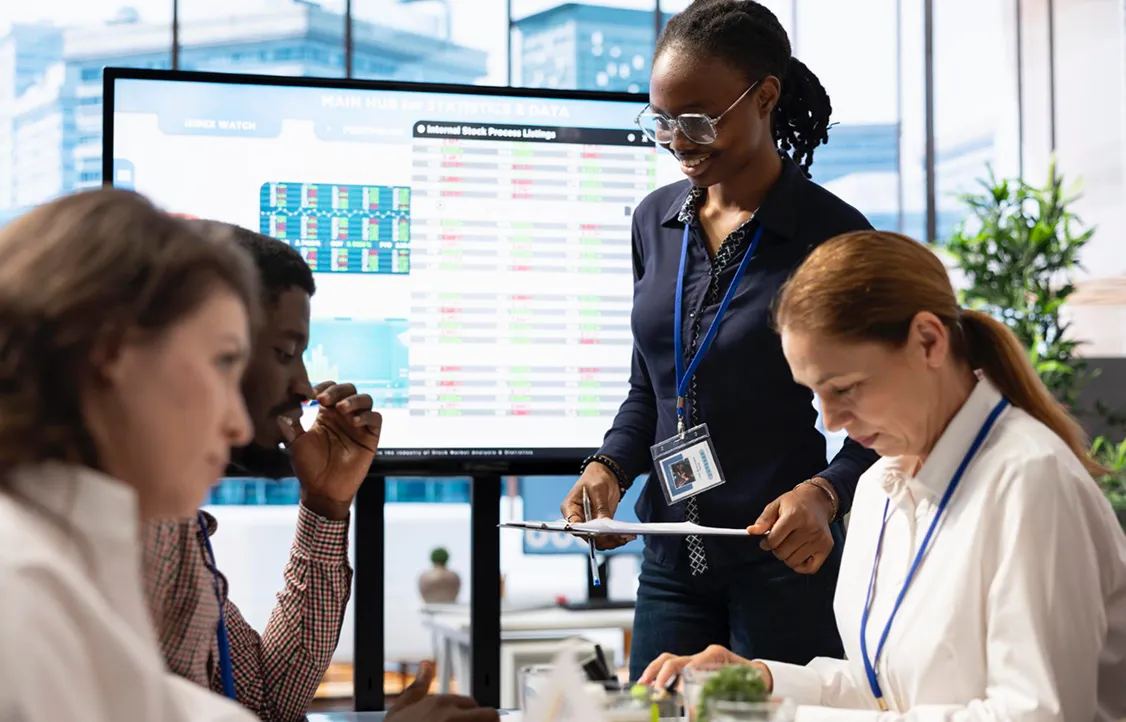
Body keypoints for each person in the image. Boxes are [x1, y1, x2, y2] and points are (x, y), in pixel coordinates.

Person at [640, 230, 1126, 720]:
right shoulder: (877, 489)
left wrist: (788, 717)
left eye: (846, 388)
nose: (829, 421)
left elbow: (1037, 714)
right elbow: (885, 688)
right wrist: (764, 682)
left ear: (928, 341)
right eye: (815, 393)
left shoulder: (1031, 481)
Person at [560, 0, 879, 680]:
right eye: (662, 120)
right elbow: (649, 387)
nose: (678, 139)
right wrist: (609, 469)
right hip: (669, 567)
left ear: (765, 96)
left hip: (781, 564)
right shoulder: (655, 221)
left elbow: (885, 415)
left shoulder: (834, 238)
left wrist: (828, 493)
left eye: (699, 119)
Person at [143, 222, 497, 722]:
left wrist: (326, 507)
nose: (306, 388)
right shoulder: (128, 534)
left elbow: (268, 702)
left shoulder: (170, 523)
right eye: (284, 353)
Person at [0, 189, 262, 720]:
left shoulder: (71, 558)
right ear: (111, 348)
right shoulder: (20, 593)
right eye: (223, 362)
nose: (240, 426)